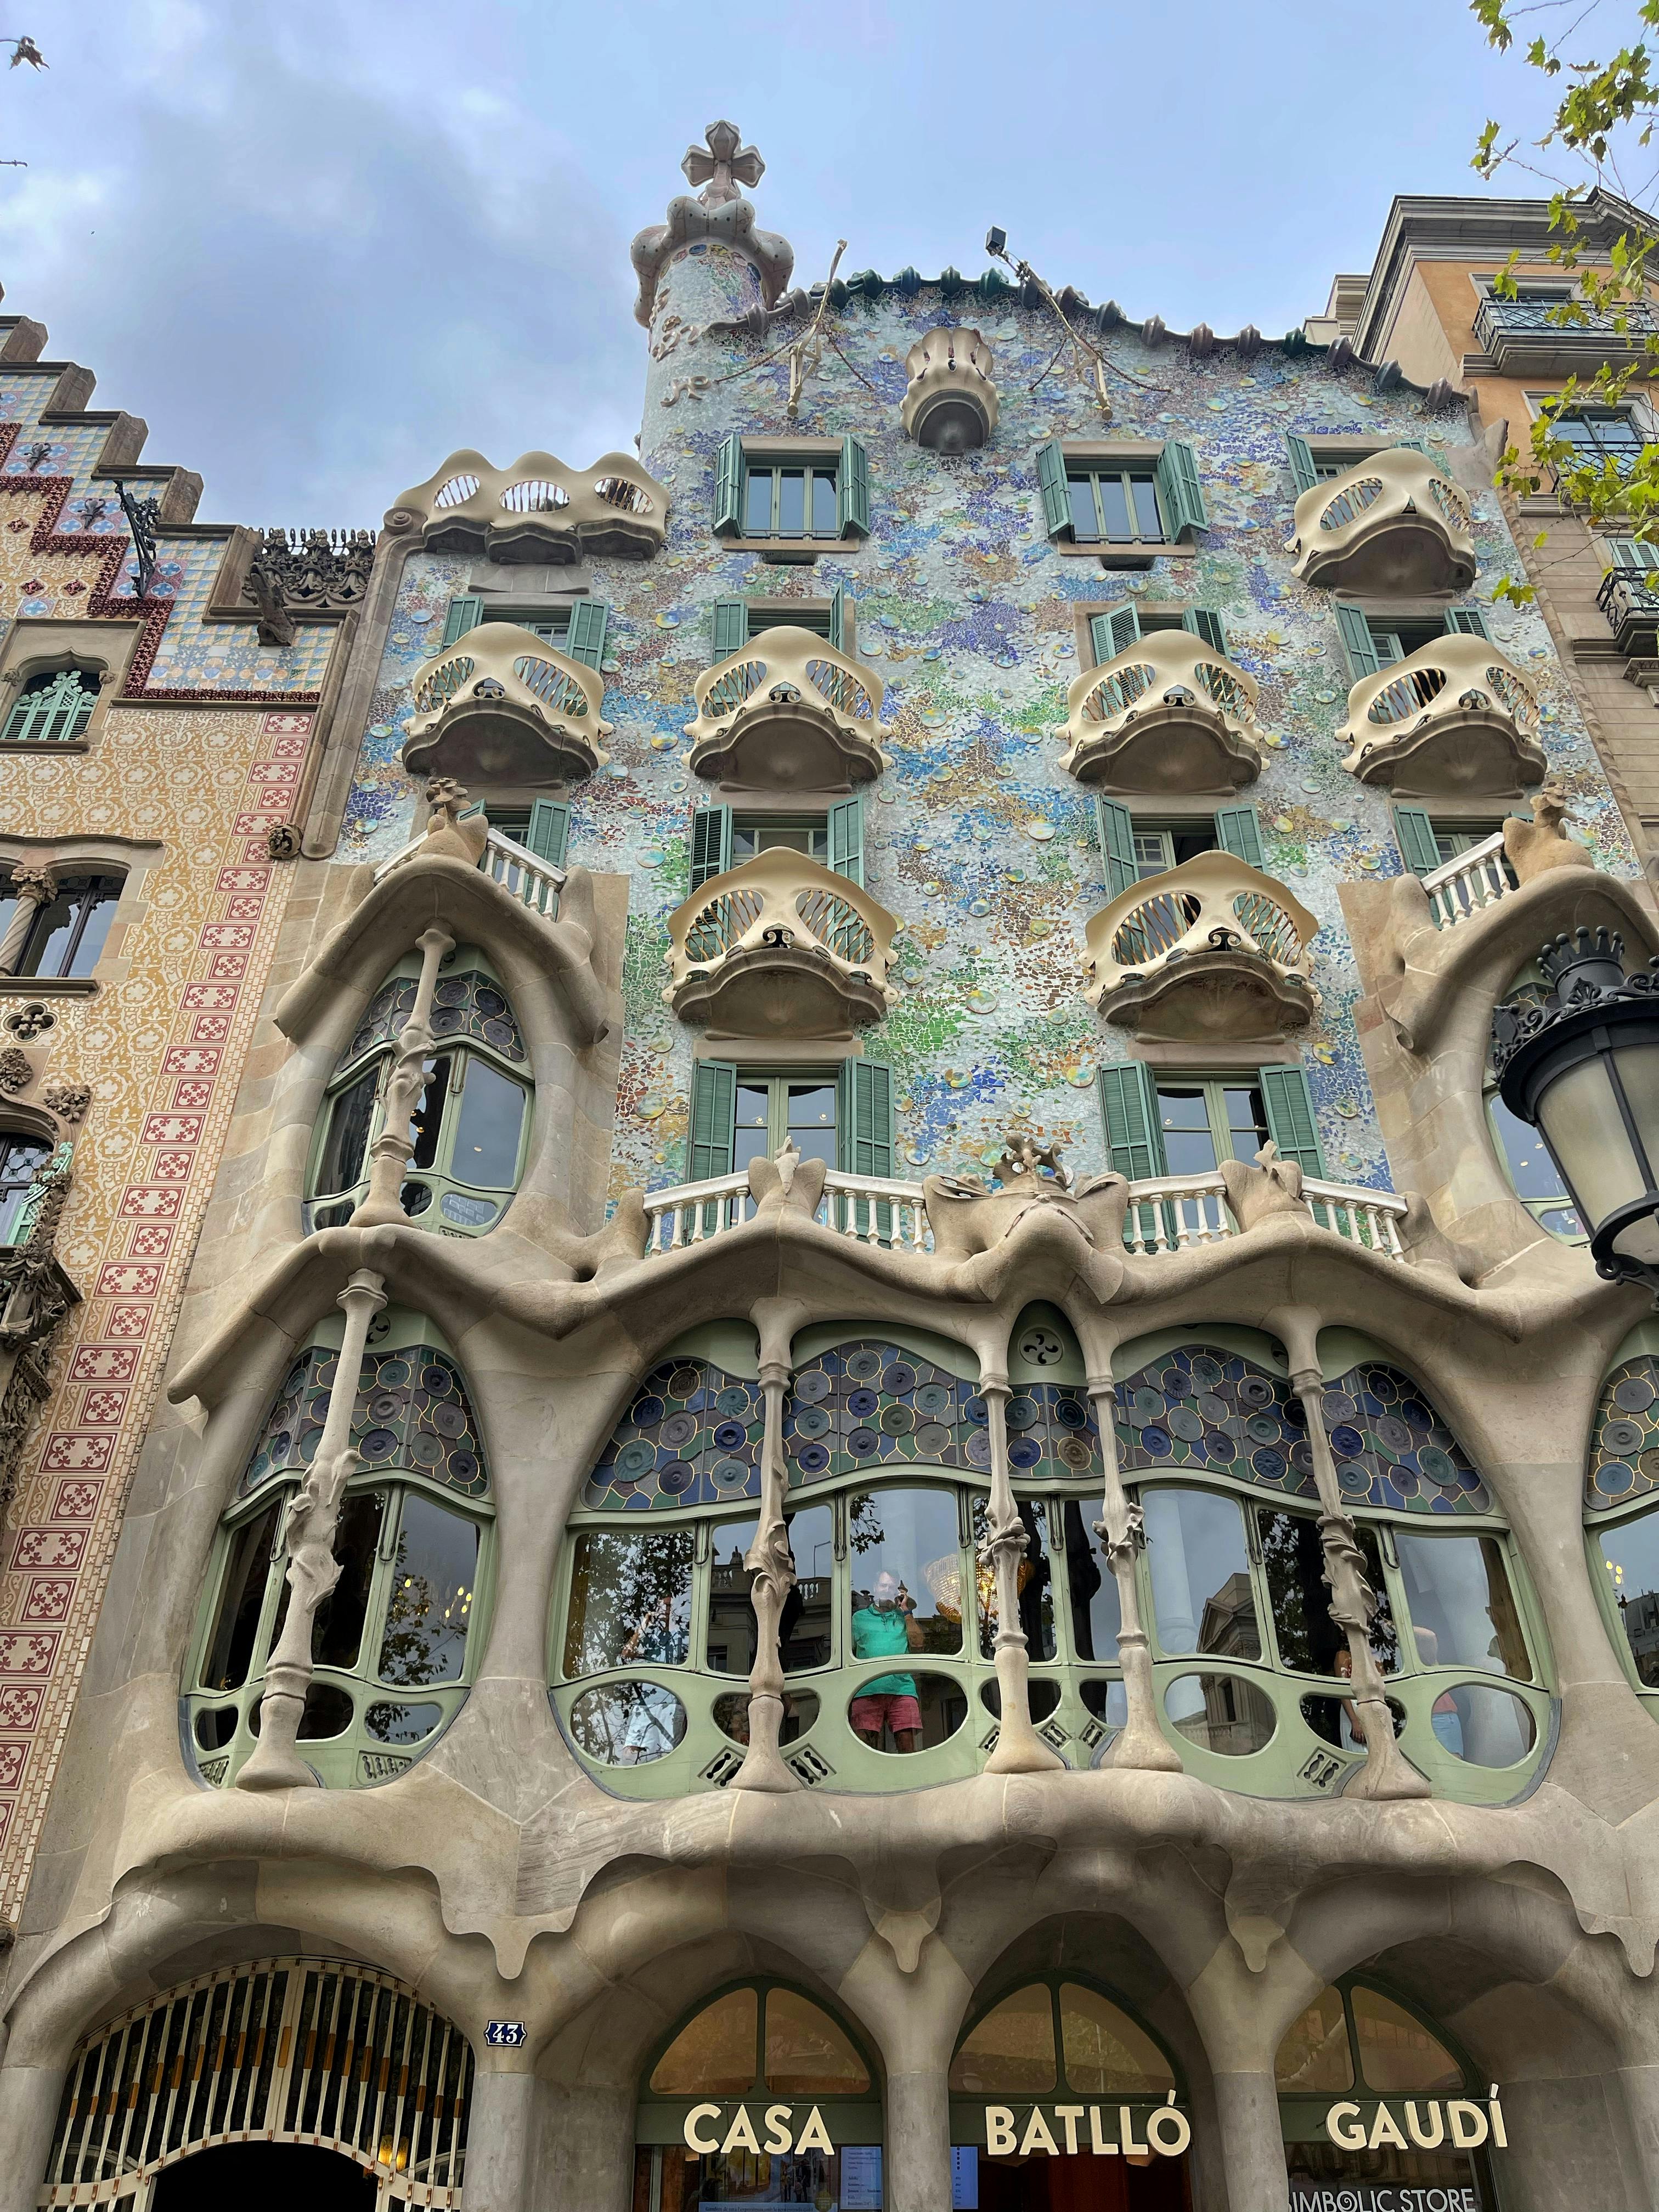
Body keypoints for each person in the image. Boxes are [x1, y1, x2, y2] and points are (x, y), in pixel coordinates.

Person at [850, 1569, 925, 1751]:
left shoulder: (903, 1617)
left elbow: (918, 1645)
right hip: (866, 1688)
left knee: (907, 1747)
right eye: (883, 1585)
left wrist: (907, 1612)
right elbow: (847, 1654)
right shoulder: (859, 1618)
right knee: (864, 1748)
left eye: (891, 1587)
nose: (887, 1589)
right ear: (876, 1588)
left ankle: (909, 1780)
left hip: (902, 1688)